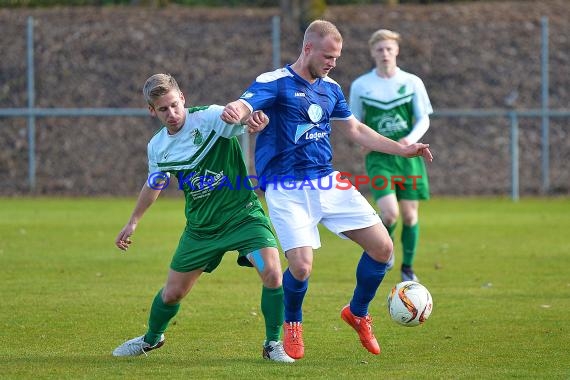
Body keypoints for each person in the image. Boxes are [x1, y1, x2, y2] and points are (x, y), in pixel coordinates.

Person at [220, 20, 433, 359]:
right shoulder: (275, 82)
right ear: (308, 49)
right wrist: (238, 110)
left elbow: (357, 130)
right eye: (329, 56)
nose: (333, 63)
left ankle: (358, 312)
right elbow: (246, 103)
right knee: (302, 267)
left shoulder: (330, 88)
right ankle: (293, 323)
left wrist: (402, 148)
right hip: (286, 188)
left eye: (337, 57)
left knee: (383, 250)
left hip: (327, 181)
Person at [111, 73, 294, 363]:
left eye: (174, 105)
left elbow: (238, 117)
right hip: (201, 231)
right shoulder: (158, 147)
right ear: (151, 111)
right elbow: (155, 184)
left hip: (243, 219)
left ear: (182, 97)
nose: (171, 114)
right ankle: (151, 338)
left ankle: (273, 344)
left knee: (271, 271)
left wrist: (253, 119)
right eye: (163, 109)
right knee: (172, 294)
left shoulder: (208, 118)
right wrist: (133, 221)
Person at [349, 29, 433, 283]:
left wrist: (410, 140)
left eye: (388, 48)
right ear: (372, 53)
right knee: (389, 214)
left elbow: (424, 118)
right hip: (379, 157)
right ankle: (386, 251)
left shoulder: (412, 82)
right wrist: (360, 142)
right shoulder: (361, 85)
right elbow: (353, 121)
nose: (384, 53)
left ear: (396, 50)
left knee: (409, 216)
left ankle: (407, 267)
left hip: (408, 157)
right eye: (379, 49)